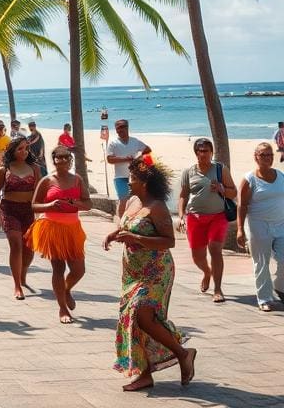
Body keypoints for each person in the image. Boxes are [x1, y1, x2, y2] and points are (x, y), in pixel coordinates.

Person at [104, 157, 196, 391]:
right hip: (132, 270)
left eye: (133, 178)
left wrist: (136, 239)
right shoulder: (132, 200)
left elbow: (169, 241)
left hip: (156, 271)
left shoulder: (157, 207)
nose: (129, 181)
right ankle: (145, 375)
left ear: (144, 182)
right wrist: (114, 234)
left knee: (142, 314)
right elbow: (128, 226)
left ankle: (183, 353)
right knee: (134, 321)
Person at [26, 145, 91, 323]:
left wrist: (76, 203)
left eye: (66, 157)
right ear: (53, 160)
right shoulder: (47, 180)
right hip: (52, 227)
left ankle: (67, 289)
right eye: (58, 157)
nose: (62, 160)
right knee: (58, 268)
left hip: (73, 228)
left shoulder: (77, 179)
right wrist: (50, 205)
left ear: (70, 160)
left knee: (79, 269)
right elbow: (34, 205)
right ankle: (62, 308)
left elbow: (88, 203)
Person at [177, 137, 237, 303]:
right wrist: (181, 216)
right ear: (195, 153)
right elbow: (183, 195)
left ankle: (217, 289)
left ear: (211, 153)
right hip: (195, 217)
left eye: (206, 151)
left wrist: (222, 188)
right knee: (197, 256)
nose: (202, 154)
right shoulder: (188, 172)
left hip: (217, 216)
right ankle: (207, 272)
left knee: (215, 249)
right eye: (199, 151)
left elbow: (234, 193)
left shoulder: (220, 169)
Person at [0, 137, 40, 299]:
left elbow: (39, 193)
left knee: (29, 250)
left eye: (26, 148)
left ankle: (23, 274)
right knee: (16, 245)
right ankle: (17, 285)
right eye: (20, 148)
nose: (24, 152)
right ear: (12, 151)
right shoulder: (3, 169)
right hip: (9, 209)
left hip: (28, 211)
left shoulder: (34, 168)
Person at [237, 142, 284, 310]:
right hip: (258, 225)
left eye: (270, 154)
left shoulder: (281, 176)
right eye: (263, 155)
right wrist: (240, 230)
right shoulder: (249, 179)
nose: (267, 158)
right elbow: (242, 206)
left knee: (283, 259)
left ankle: (279, 288)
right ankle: (264, 299)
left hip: (281, 225)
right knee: (261, 262)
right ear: (256, 157)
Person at [106, 119, 152, 219]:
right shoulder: (113, 143)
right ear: (116, 130)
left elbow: (148, 149)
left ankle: (135, 220)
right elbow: (109, 159)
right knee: (123, 201)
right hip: (120, 177)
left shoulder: (135, 141)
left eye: (123, 127)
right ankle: (121, 224)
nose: (120, 129)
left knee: (137, 200)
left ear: (127, 127)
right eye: (118, 128)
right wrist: (125, 159)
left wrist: (139, 159)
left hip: (135, 177)